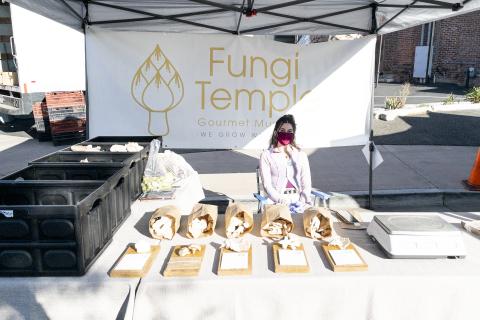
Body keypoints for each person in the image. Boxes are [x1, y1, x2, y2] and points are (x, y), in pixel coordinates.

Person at [259, 114, 312, 209]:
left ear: (294, 134)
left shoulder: (301, 155)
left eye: (289, 131)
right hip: (276, 203)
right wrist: (281, 200)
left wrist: (301, 202)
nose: (286, 133)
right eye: (282, 130)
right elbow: (267, 185)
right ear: (276, 133)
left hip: (300, 202)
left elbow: (306, 184)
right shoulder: (266, 155)